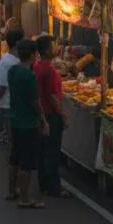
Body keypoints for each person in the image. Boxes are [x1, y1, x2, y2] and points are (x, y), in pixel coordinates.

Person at [7, 38, 47, 209]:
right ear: (32, 55)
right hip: (28, 123)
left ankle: (11, 190)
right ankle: (25, 198)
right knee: (26, 162)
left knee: (14, 158)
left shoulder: (12, 71)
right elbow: (35, 102)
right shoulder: (29, 76)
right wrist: (43, 120)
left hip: (14, 119)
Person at [33, 35, 70, 198]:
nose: (56, 48)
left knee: (42, 151)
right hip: (50, 115)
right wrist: (63, 114)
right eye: (54, 45)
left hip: (43, 114)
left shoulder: (37, 66)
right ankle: (53, 187)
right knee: (52, 152)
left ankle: (43, 183)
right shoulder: (48, 69)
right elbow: (52, 96)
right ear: (47, 50)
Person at [0, 28, 24, 144]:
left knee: (12, 137)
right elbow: (2, 87)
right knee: (10, 138)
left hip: (12, 105)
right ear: (18, 43)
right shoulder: (7, 63)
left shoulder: (13, 60)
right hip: (7, 105)